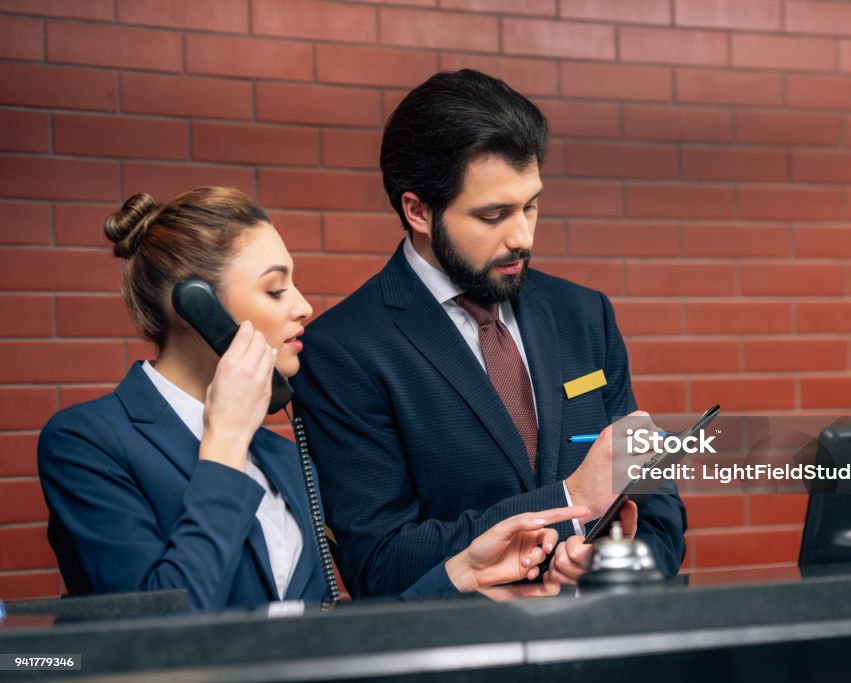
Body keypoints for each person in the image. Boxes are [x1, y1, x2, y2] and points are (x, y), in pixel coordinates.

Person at [37, 187, 585, 612]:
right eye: (276, 290)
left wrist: (459, 575)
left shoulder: (278, 459)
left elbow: (320, 633)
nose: (303, 307)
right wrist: (224, 440)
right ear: (194, 307)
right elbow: (159, 628)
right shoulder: (88, 442)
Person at [290, 69, 686, 599]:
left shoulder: (584, 314)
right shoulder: (344, 350)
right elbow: (379, 564)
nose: (521, 236)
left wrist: (611, 564)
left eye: (531, 205)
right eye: (494, 215)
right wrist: (569, 501)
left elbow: (657, 509)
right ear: (418, 211)